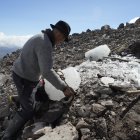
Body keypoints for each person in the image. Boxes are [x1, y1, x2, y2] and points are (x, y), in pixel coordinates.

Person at [2, 20, 74, 140]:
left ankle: (18, 98)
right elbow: (46, 71)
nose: (61, 42)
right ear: (59, 34)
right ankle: (6, 135)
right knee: (28, 110)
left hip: (25, 74)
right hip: (24, 78)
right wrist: (64, 88)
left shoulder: (43, 37)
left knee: (36, 96)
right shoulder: (45, 43)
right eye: (63, 39)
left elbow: (42, 65)